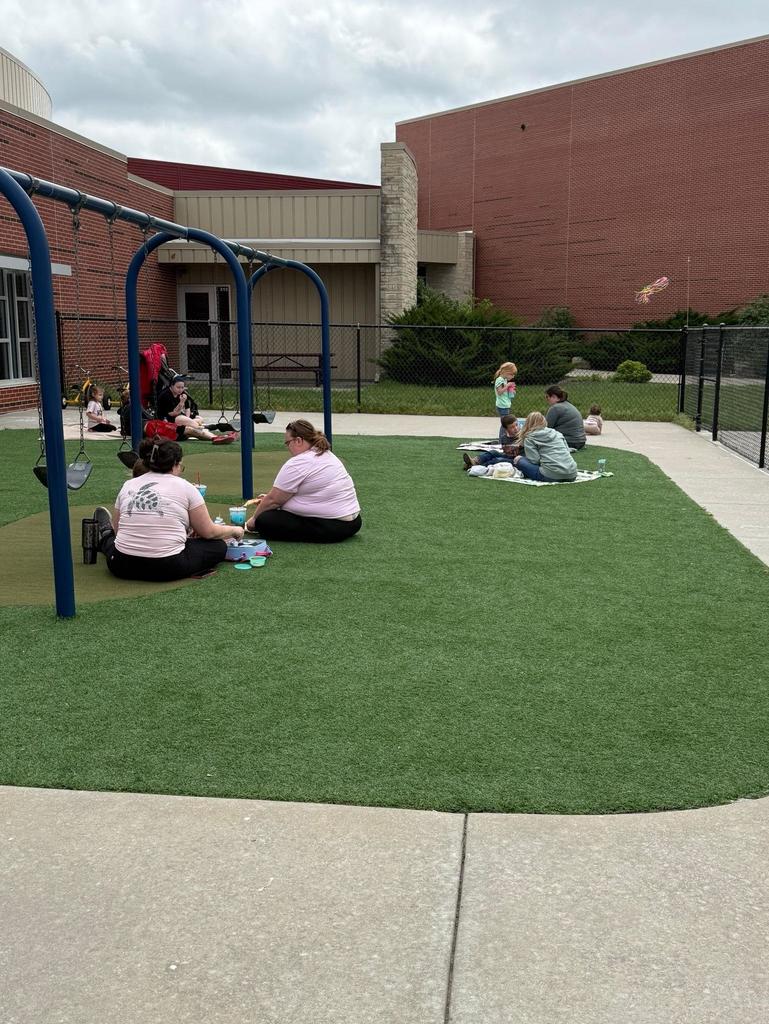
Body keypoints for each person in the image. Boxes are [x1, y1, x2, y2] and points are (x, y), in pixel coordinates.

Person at [92, 437, 244, 581]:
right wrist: (234, 530)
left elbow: (118, 530)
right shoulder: (185, 487)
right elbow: (209, 532)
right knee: (218, 546)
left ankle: (105, 534)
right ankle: (106, 535)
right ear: (175, 464)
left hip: (120, 565)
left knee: (112, 541)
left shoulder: (128, 485)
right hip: (167, 567)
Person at [245, 419, 361, 543]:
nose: (288, 448)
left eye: (288, 443)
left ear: (299, 440)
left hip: (332, 527)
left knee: (265, 520)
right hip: (354, 523)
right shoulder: (327, 454)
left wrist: (252, 521)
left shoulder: (299, 462)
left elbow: (274, 500)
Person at [155, 374, 235, 445]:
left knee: (198, 419)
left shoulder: (181, 393)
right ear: (171, 386)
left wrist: (188, 418)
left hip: (178, 417)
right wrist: (181, 402)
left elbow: (187, 408)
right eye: (178, 387)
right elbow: (173, 413)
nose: (180, 389)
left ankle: (215, 433)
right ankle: (217, 434)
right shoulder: (165, 395)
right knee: (192, 427)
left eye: (182, 387)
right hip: (168, 420)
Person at [513, 411, 578, 482]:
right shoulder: (557, 434)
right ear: (544, 421)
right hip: (572, 474)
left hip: (550, 475)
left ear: (527, 424)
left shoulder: (530, 438)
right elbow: (567, 451)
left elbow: (535, 460)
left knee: (519, 460)